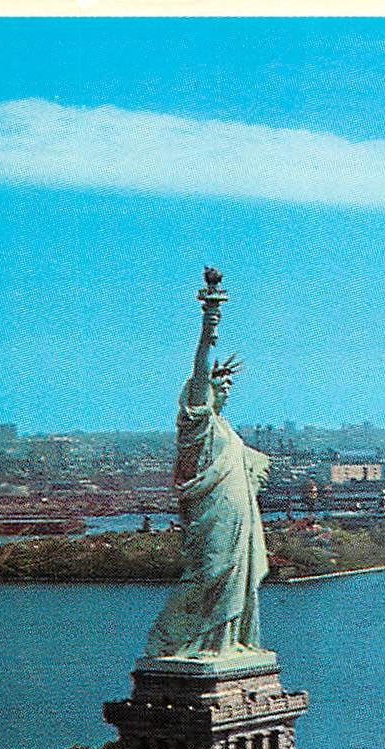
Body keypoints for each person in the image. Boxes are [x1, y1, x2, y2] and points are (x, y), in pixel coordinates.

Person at [143, 268, 271, 658]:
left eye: (228, 387)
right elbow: (200, 369)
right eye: (221, 386)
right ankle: (176, 642)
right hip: (212, 515)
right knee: (209, 572)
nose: (225, 391)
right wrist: (209, 321)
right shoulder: (196, 421)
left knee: (239, 575)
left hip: (239, 516)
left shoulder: (226, 429)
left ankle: (228, 642)